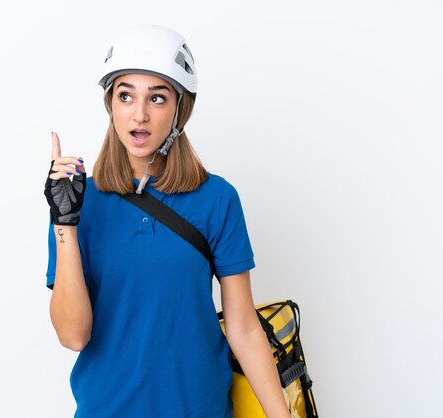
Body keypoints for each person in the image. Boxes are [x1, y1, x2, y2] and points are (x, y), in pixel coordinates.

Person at [44, 24, 291, 418]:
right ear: (111, 105)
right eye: (126, 95)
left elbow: (243, 329)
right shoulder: (78, 202)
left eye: (157, 98)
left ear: (179, 108)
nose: (139, 115)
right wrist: (64, 221)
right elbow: (74, 335)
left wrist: (283, 416)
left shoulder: (217, 199)